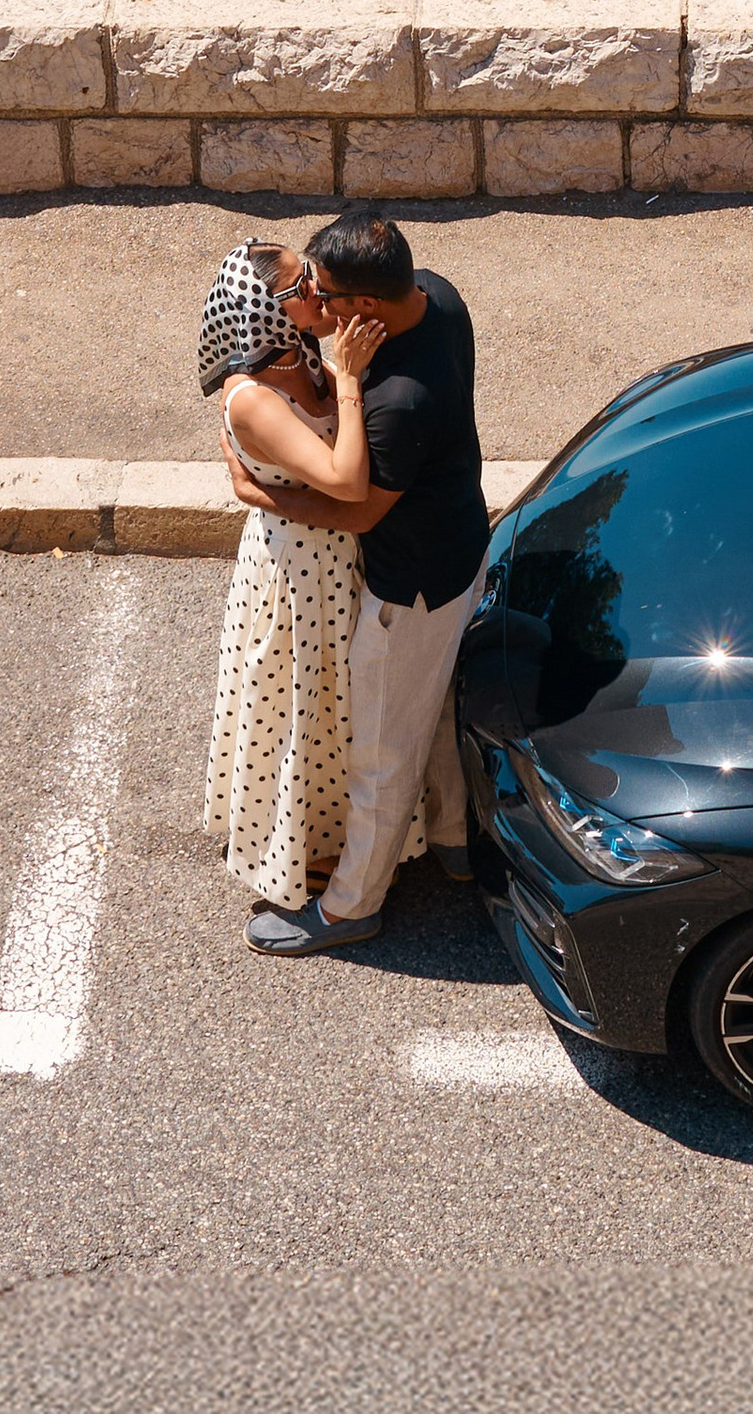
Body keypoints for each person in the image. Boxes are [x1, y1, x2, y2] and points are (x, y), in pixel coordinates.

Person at [228, 208, 486, 960]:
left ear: (362, 307)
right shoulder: (439, 294)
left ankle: (351, 906)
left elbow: (357, 504)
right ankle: (454, 842)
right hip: (460, 547)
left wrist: (262, 494)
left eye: (322, 289)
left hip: (409, 589)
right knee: (433, 712)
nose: (313, 298)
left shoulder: (396, 399)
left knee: (382, 751)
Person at [196, 241, 420, 919]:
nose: (319, 291)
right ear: (266, 307)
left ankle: (352, 833)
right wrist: (346, 378)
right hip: (296, 578)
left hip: (339, 561)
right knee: (304, 709)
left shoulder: (301, 354)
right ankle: (307, 848)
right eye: (301, 286)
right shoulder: (253, 399)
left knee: (345, 707)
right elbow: (348, 482)